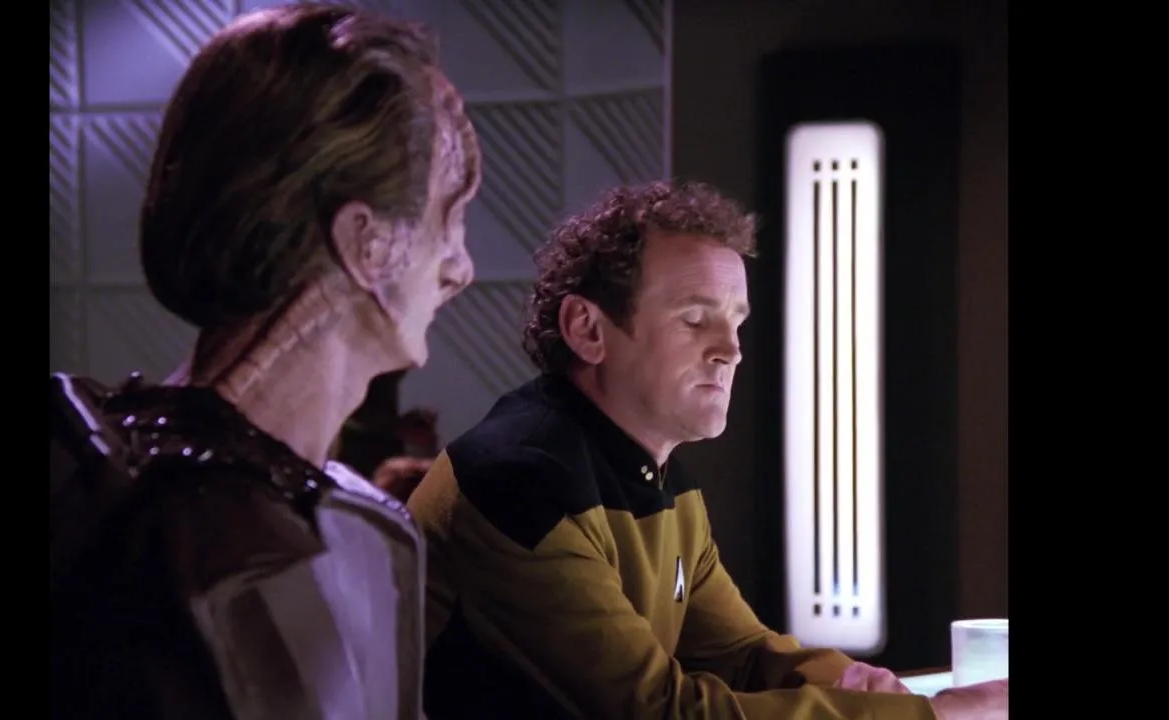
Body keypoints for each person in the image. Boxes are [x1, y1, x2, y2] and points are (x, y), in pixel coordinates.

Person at [406, 181, 1008, 719]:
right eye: (695, 320)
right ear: (587, 330)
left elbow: (740, 654)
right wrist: (935, 717)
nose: (731, 350)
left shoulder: (661, 477)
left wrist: (853, 684)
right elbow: (659, 713)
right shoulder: (518, 481)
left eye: (735, 323)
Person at [48, 4, 480, 718]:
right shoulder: (206, 545)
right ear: (365, 242)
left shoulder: (363, 528)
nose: (461, 268)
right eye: (449, 218)